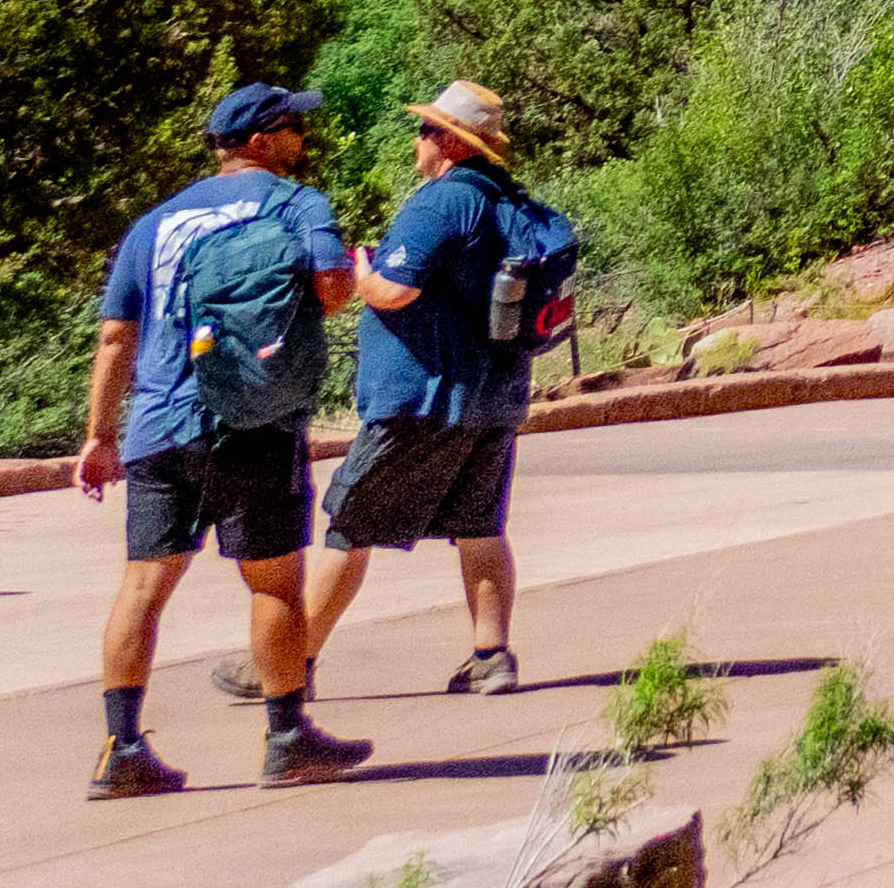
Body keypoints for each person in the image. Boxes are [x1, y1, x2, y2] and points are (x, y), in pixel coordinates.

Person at [83, 85, 383, 798]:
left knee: (143, 586)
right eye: (292, 129)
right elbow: (335, 288)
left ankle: (120, 750)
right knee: (273, 581)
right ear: (261, 141)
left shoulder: (153, 223)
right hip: (253, 418)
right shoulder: (295, 203)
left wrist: (99, 436)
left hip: (157, 424)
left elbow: (115, 335)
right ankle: (287, 738)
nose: (301, 140)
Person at [295, 85, 573, 699]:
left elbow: (394, 290)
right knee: (480, 525)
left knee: (350, 523)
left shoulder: (441, 202)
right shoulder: (509, 202)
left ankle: (289, 665)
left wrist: (364, 273)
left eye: (424, 131)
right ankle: (491, 657)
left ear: (447, 141)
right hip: (495, 395)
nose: (417, 141)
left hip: (422, 400)